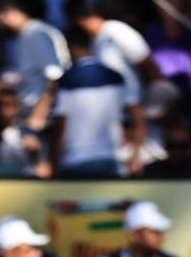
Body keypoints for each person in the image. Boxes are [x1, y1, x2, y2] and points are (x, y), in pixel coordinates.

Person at [49, 25, 138, 179]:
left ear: (70, 47)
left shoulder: (67, 80)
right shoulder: (115, 76)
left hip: (76, 161)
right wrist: (136, 155)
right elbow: (138, 115)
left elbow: (60, 126)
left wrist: (54, 168)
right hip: (111, 159)